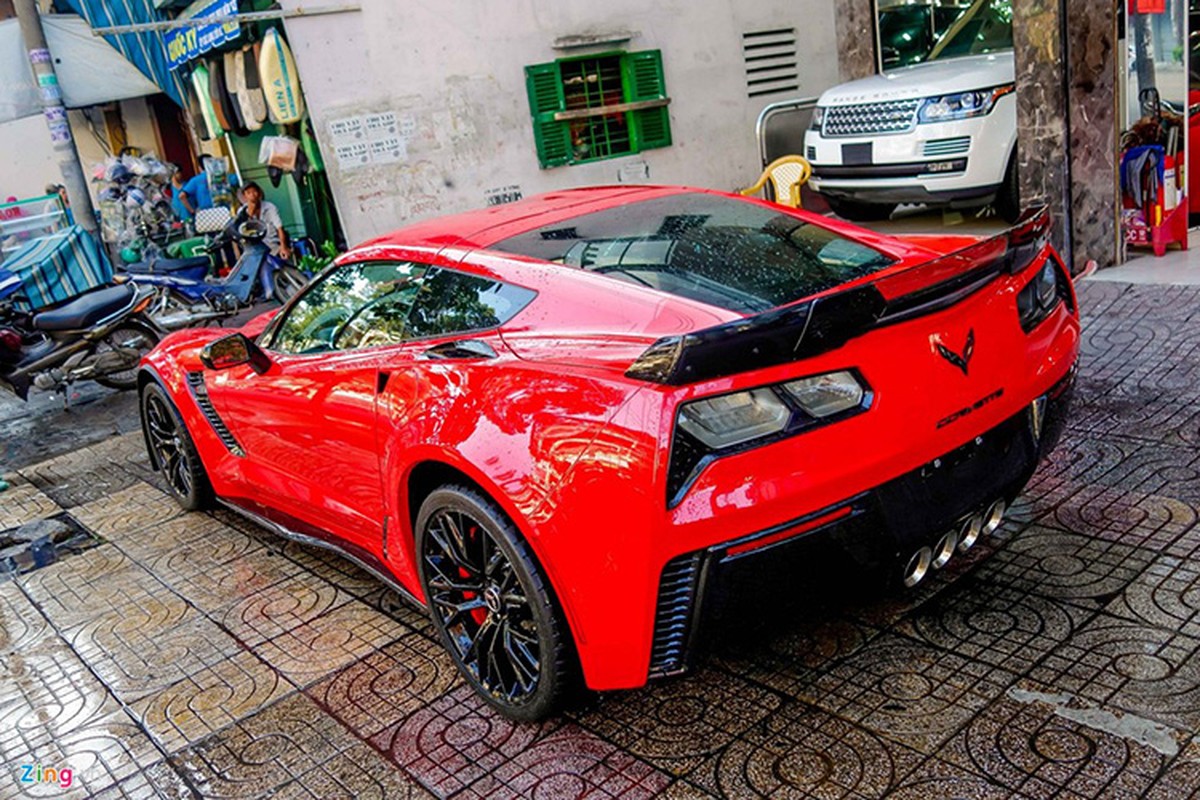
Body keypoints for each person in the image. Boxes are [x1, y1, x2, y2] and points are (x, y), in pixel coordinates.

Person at [238, 181, 290, 260]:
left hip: (273, 246)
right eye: (248, 193)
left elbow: (280, 228)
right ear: (245, 196)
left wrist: (283, 247)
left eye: (254, 191)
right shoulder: (242, 211)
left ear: (259, 193)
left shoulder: (270, 207)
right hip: (254, 250)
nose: (252, 195)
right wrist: (251, 211)